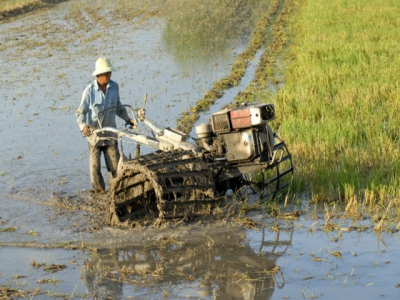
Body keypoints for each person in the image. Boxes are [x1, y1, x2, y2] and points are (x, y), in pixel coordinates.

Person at [76, 57, 134, 193]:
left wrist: (128, 119)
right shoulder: (89, 91)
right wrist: (84, 126)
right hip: (94, 137)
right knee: (95, 170)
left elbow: (118, 107)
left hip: (110, 135)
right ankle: (99, 194)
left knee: (115, 168)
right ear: (98, 74)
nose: (108, 76)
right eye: (105, 73)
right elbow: (80, 113)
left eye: (109, 73)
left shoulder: (114, 87)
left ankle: (118, 193)